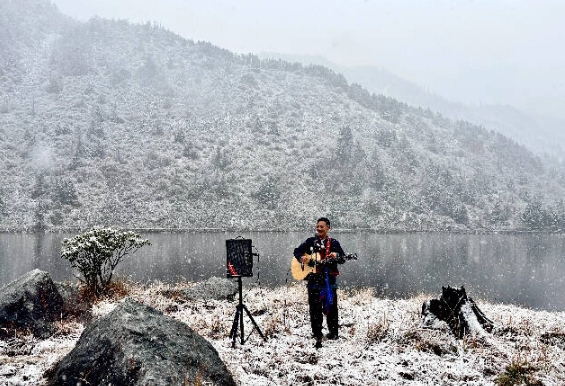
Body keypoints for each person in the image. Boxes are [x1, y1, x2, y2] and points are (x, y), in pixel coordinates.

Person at [293, 217, 346, 348]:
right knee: (314, 309)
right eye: (318, 226)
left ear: (328, 228)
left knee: (331, 308)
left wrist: (336, 256)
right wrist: (302, 257)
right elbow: (297, 251)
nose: (319, 228)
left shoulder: (334, 243)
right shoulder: (310, 241)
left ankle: (333, 333)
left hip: (329, 282)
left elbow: (343, 259)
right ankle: (317, 333)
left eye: (322, 226)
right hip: (313, 281)